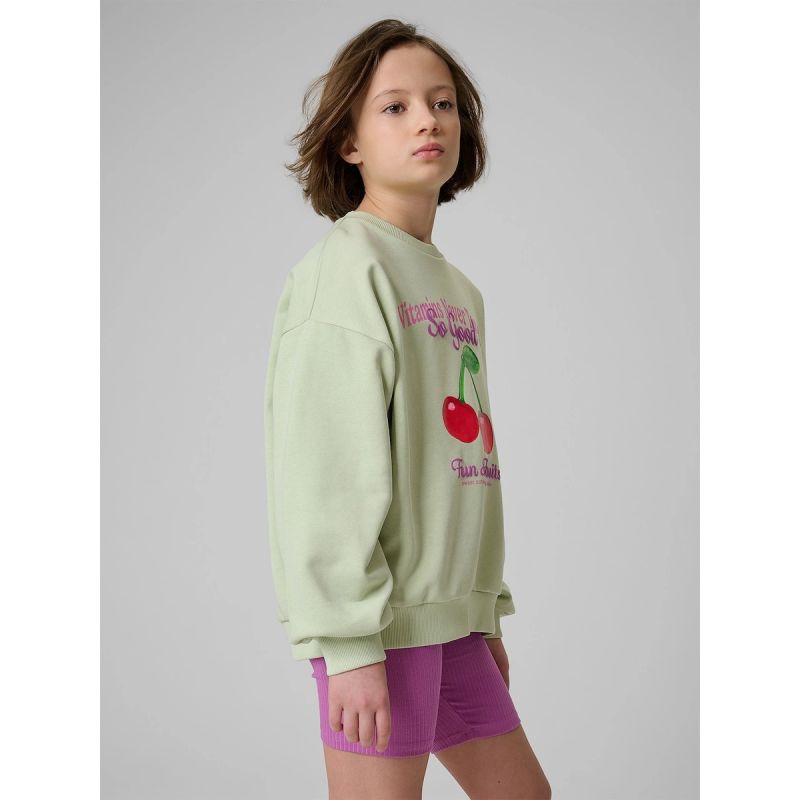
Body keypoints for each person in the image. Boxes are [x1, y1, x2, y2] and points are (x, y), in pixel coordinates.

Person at [263, 18, 552, 800]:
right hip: (378, 628)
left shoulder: (457, 289)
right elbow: (324, 471)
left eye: (443, 102)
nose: (428, 119)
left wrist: (481, 612)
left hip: (449, 620)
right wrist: (348, 645)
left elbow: (464, 464)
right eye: (395, 107)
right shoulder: (346, 272)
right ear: (348, 141)